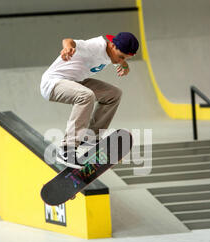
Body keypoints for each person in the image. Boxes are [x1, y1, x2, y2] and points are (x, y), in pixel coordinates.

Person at [40, 32, 139, 168]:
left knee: (114, 94)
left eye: (125, 58)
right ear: (112, 45)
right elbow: (68, 40)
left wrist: (125, 65)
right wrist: (68, 48)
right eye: (121, 57)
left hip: (75, 82)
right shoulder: (96, 46)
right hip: (52, 83)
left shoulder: (112, 54)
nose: (120, 61)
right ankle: (66, 150)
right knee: (86, 95)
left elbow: (119, 59)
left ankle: (90, 137)